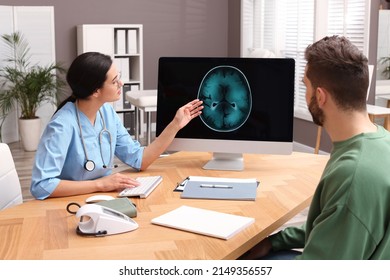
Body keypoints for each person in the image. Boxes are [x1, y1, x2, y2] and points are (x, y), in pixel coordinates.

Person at [240, 35, 390, 260]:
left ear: (320, 96)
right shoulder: (381, 140)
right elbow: (336, 225)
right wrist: (275, 241)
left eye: (306, 87)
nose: (305, 93)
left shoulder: (353, 176)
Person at [30, 52, 203, 200]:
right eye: (114, 81)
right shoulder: (61, 125)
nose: (121, 84)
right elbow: (42, 186)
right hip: (70, 203)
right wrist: (99, 184)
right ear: (96, 91)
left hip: (104, 197)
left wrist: (175, 124)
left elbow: (139, 160)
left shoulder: (106, 113)